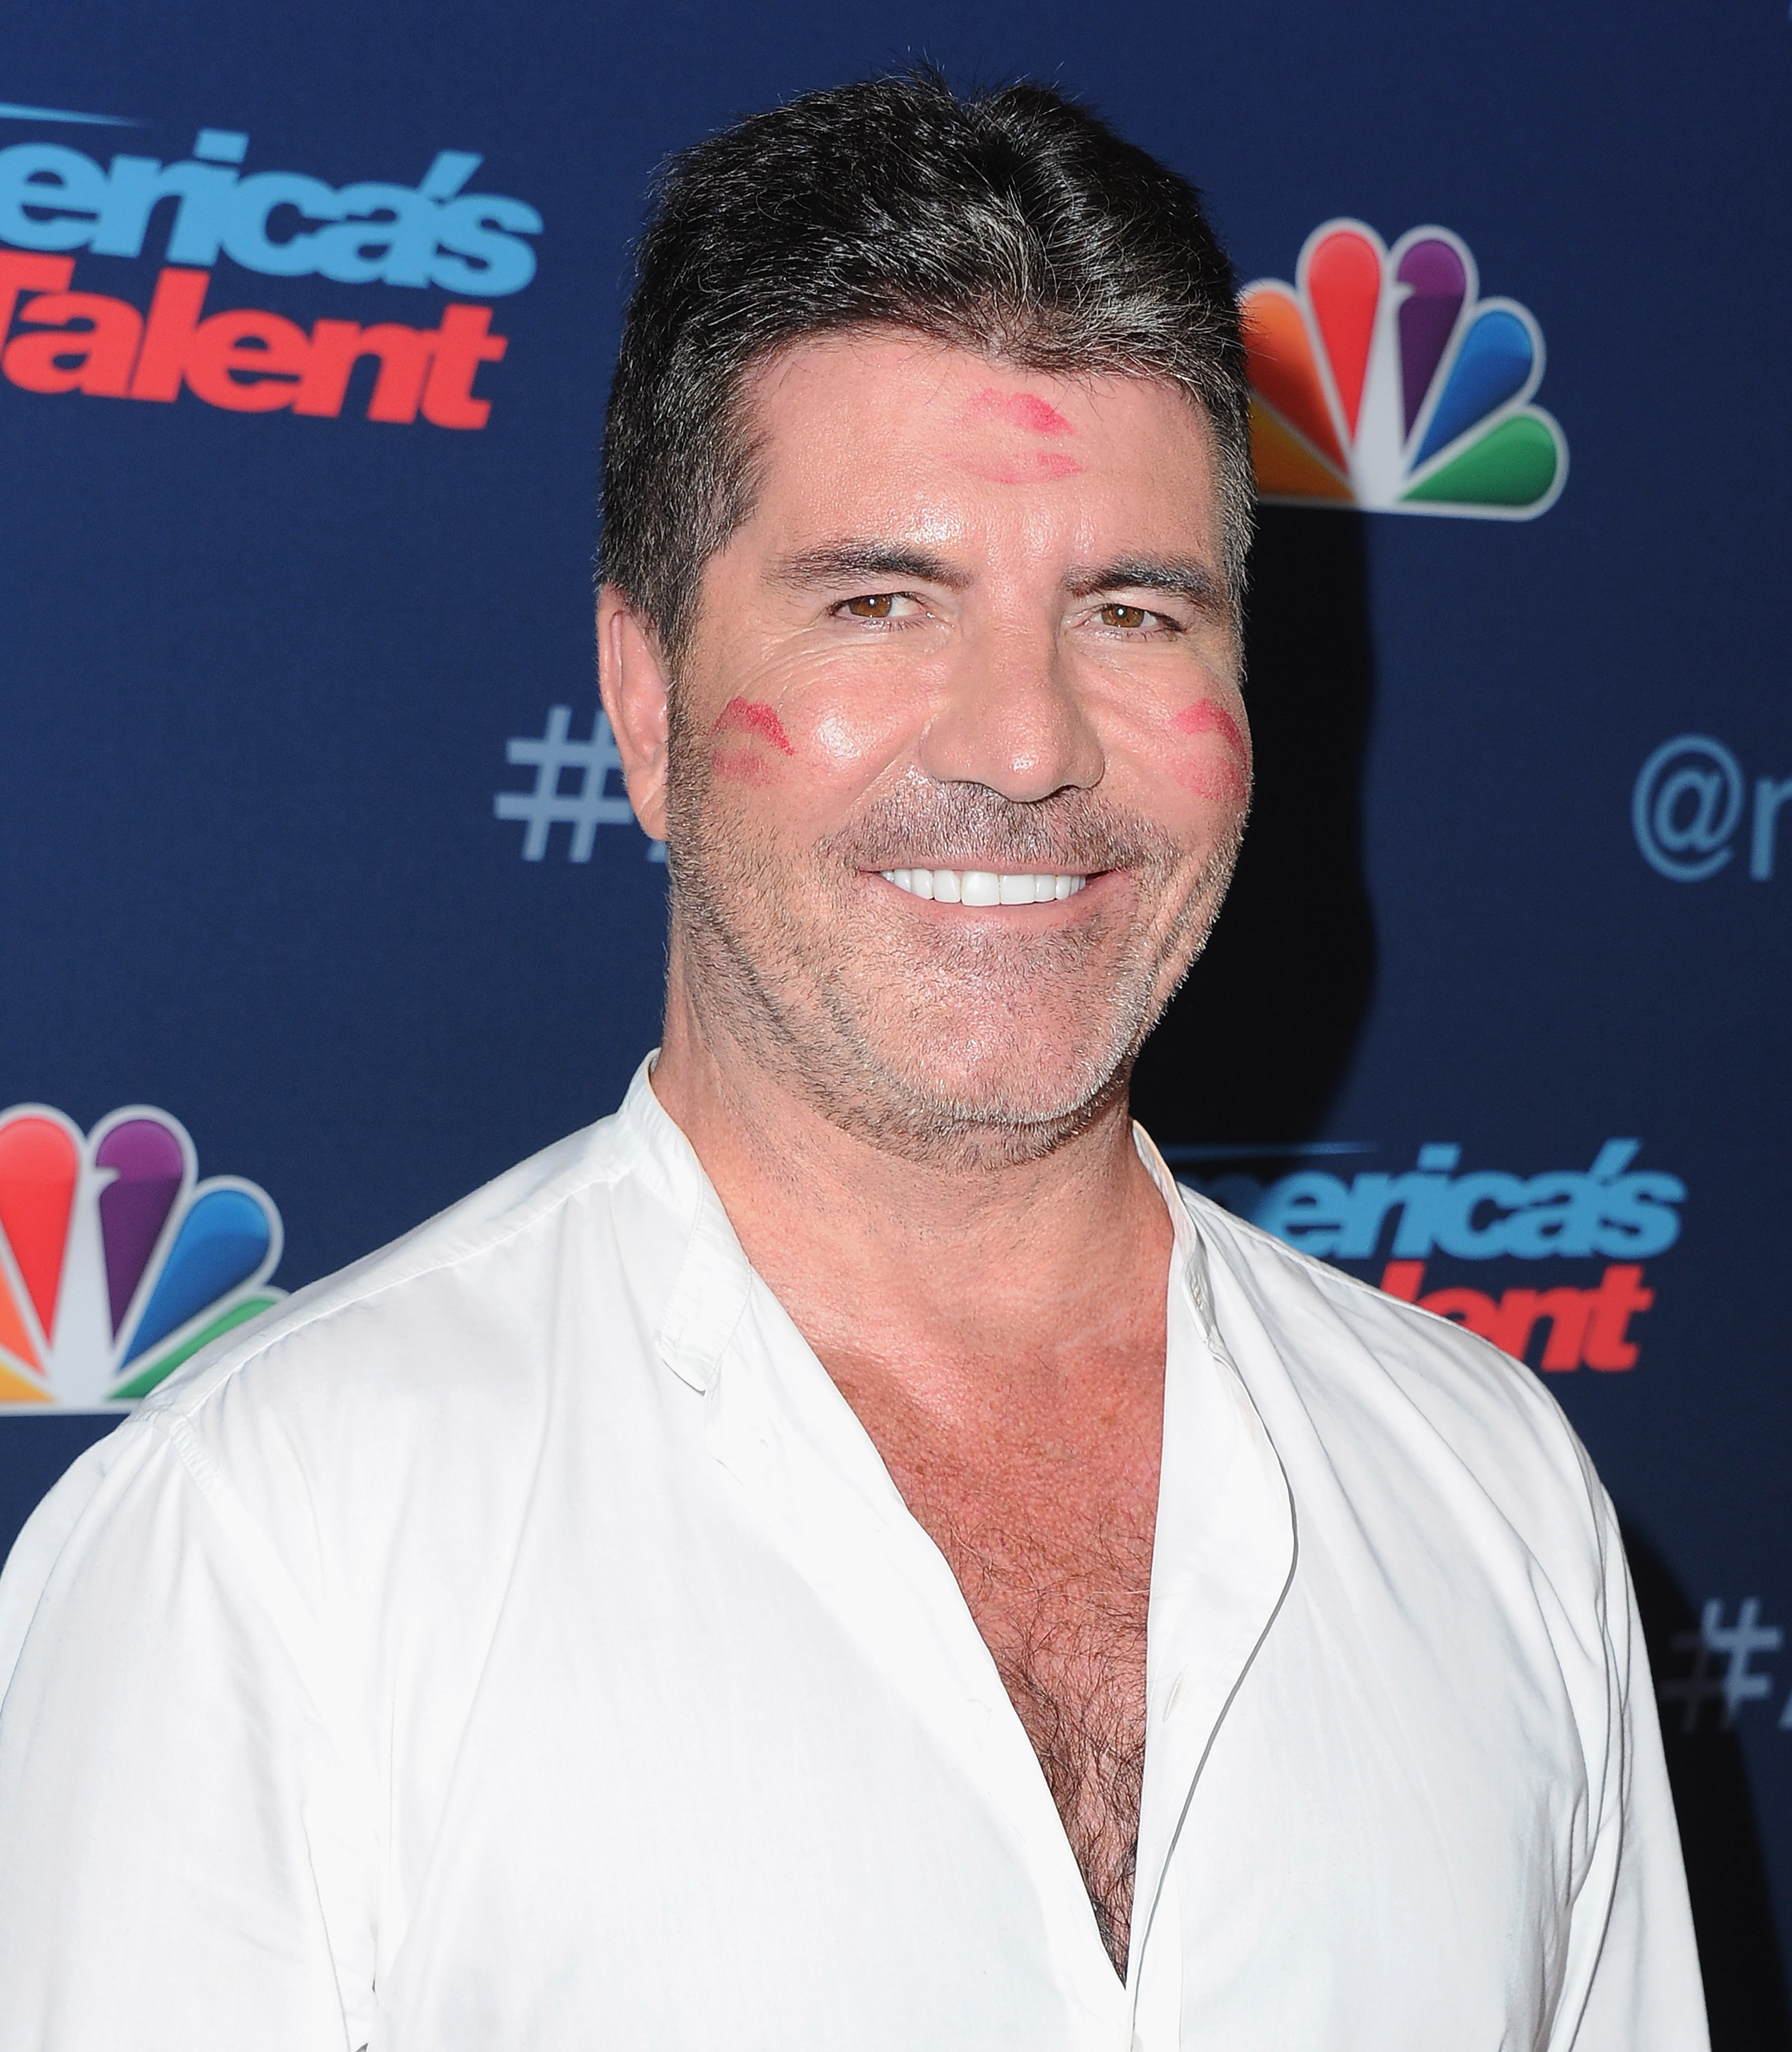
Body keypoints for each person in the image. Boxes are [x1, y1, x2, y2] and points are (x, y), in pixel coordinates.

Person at [0, 71, 1706, 2052]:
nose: (1019, 743)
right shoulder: (266, 1550)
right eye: (880, 601)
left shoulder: (1485, 1492)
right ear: (642, 697)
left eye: (1131, 609)